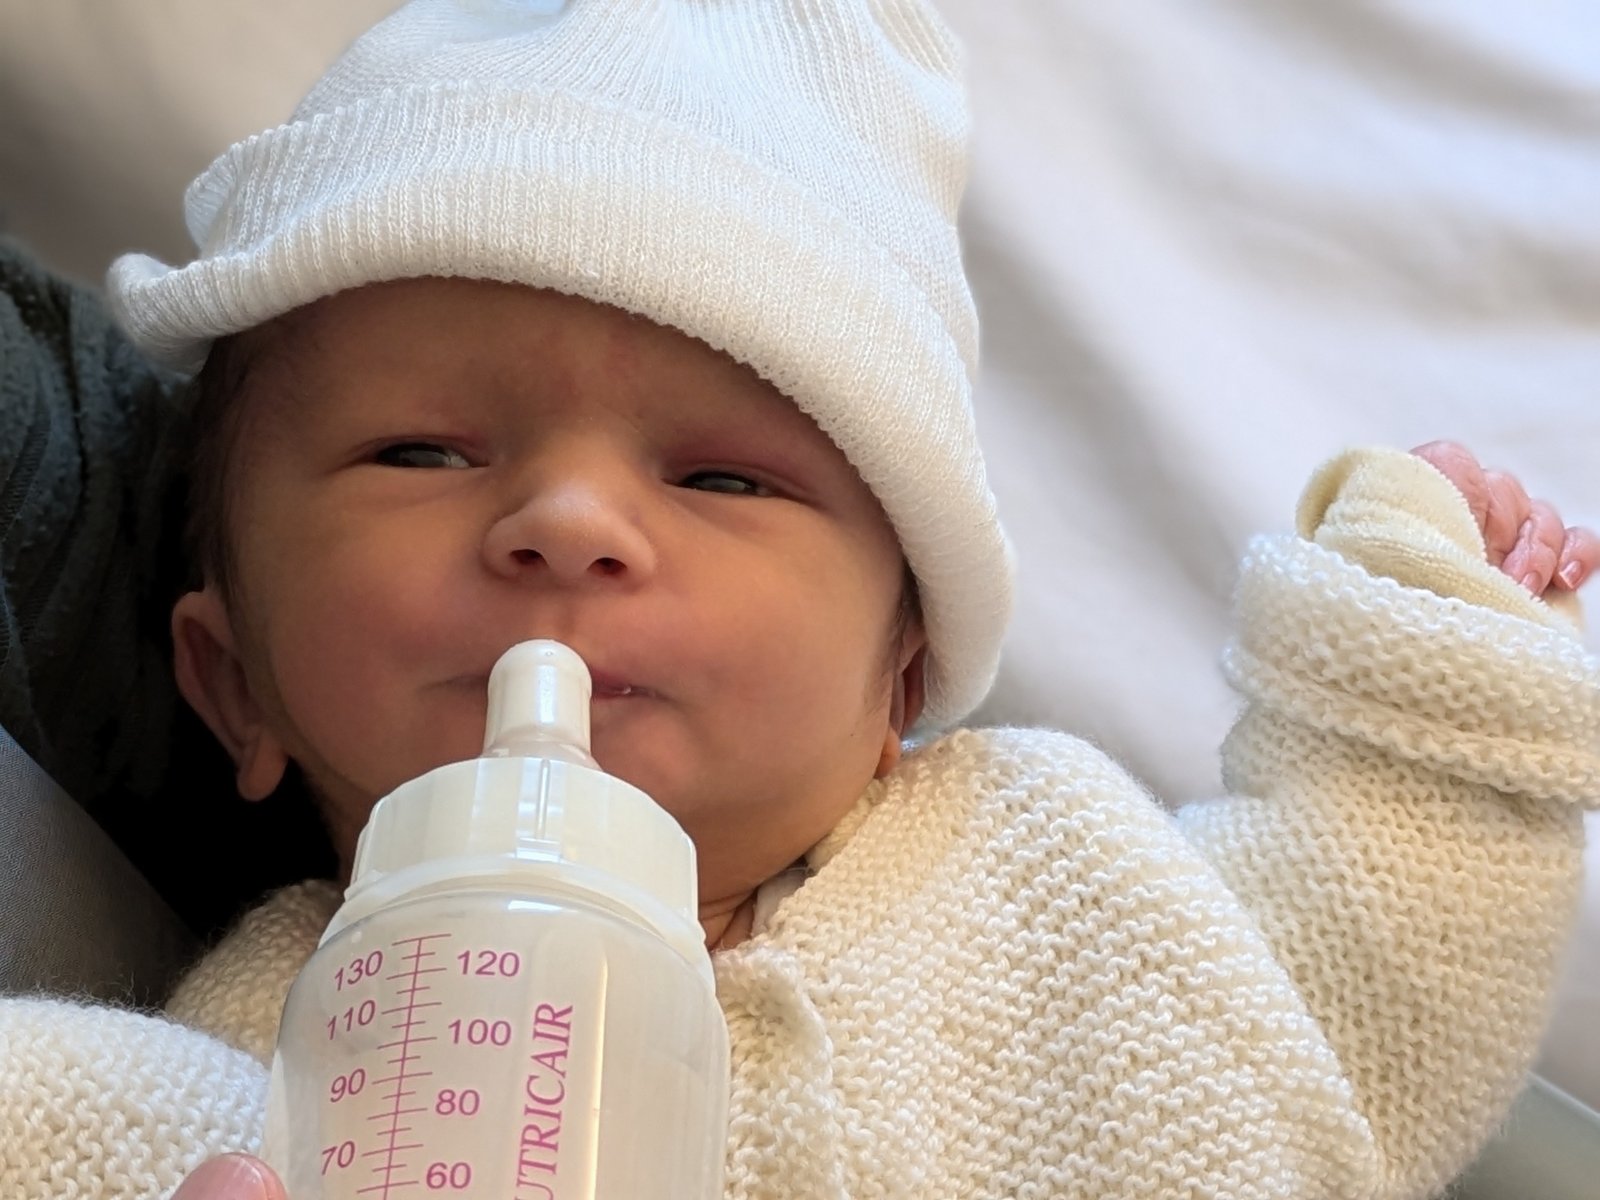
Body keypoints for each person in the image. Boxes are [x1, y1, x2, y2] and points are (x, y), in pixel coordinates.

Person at [2, 1, 1597, 1198]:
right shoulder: (273, 1061)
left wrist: (1424, 633)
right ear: (232, 684)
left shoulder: (1065, 889)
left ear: (903, 683)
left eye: (724, 478)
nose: (566, 523)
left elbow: (1378, 971)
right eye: (420, 451)